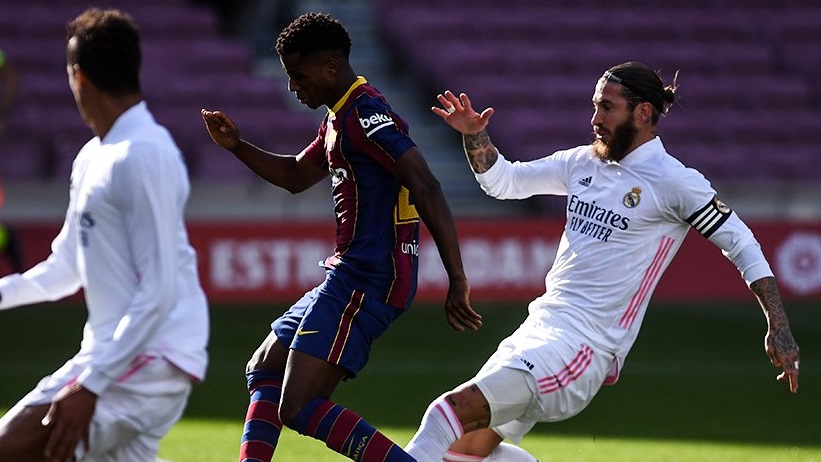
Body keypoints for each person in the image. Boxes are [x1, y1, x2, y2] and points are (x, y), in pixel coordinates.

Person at [404, 61, 801, 462]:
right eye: (595, 106)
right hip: (536, 329)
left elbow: (741, 242)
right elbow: (503, 182)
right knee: (463, 453)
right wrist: (475, 134)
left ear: (642, 113)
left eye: (607, 108)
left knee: (445, 414)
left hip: (583, 346)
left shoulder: (674, 181)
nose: (595, 119)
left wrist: (779, 325)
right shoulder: (582, 163)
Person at [201, 11, 482, 462]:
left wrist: (458, 278)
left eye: (299, 75)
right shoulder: (339, 118)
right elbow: (296, 175)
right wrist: (236, 145)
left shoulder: (366, 114)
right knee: (265, 367)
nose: (293, 86)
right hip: (349, 273)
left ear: (331, 65)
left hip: (370, 277)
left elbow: (425, 184)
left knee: (298, 405)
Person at [0, 8, 209, 462]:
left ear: (78, 77)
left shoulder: (144, 154)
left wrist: (92, 383)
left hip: (149, 359)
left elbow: (159, 288)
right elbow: (64, 269)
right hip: (118, 354)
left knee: (9, 449)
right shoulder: (93, 157)